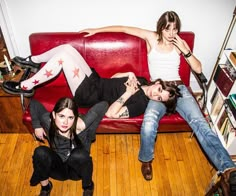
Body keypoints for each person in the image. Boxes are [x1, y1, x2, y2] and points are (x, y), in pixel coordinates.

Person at [79, 10, 236, 192]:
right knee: (149, 121)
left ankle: (228, 168)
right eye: (167, 29)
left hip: (178, 89)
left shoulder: (180, 44)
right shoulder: (151, 38)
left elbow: (199, 69)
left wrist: (185, 51)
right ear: (161, 28)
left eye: (174, 29)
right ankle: (146, 160)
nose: (171, 34)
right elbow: (124, 28)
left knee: (200, 123)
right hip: (159, 91)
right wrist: (96, 30)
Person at [3, 44, 181, 118]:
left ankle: (25, 86)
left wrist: (127, 94)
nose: (154, 95)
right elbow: (112, 80)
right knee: (67, 48)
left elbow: (111, 114)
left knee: (64, 57)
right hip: (96, 81)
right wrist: (128, 73)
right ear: (158, 83)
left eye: (159, 98)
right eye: (159, 91)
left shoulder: (141, 104)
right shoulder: (141, 80)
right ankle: (33, 61)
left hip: (89, 95)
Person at [29, 97, 108, 196]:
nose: (65, 122)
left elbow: (104, 104)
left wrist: (83, 124)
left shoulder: (83, 126)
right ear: (54, 115)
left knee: (79, 155)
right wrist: (37, 126)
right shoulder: (48, 122)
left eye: (70, 117)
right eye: (61, 116)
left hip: (77, 170)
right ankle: (46, 187)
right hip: (57, 169)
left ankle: (88, 186)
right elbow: (34, 103)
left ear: (75, 117)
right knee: (40, 152)